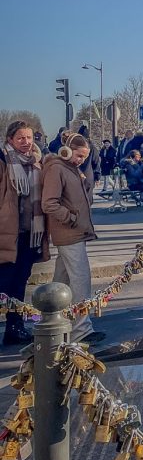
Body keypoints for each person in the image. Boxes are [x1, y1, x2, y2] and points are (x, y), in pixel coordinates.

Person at [0, 121, 49, 345]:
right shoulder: (4, 162)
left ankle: (14, 327)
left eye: (29, 138)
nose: (26, 142)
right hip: (7, 233)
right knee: (3, 283)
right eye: (20, 138)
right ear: (10, 140)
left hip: (30, 233)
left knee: (20, 282)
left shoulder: (37, 163)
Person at [41, 131, 96, 305]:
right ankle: (81, 329)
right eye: (79, 155)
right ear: (67, 150)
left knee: (61, 281)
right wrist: (70, 218)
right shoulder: (57, 169)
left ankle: (52, 317)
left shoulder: (71, 169)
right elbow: (49, 203)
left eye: (84, 157)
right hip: (69, 233)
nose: (81, 160)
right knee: (81, 279)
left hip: (74, 231)